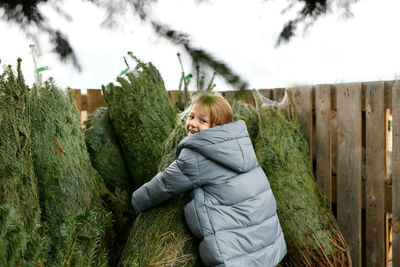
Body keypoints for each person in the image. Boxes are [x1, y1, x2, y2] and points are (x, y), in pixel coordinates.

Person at [131, 91, 287, 266]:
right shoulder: (240, 146)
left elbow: (165, 183)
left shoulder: (197, 155)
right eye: (191, 116)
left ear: (218, 126)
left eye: (202, 120)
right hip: (266, 242)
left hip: (231, 250)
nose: (192, 124)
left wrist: (137, 201)